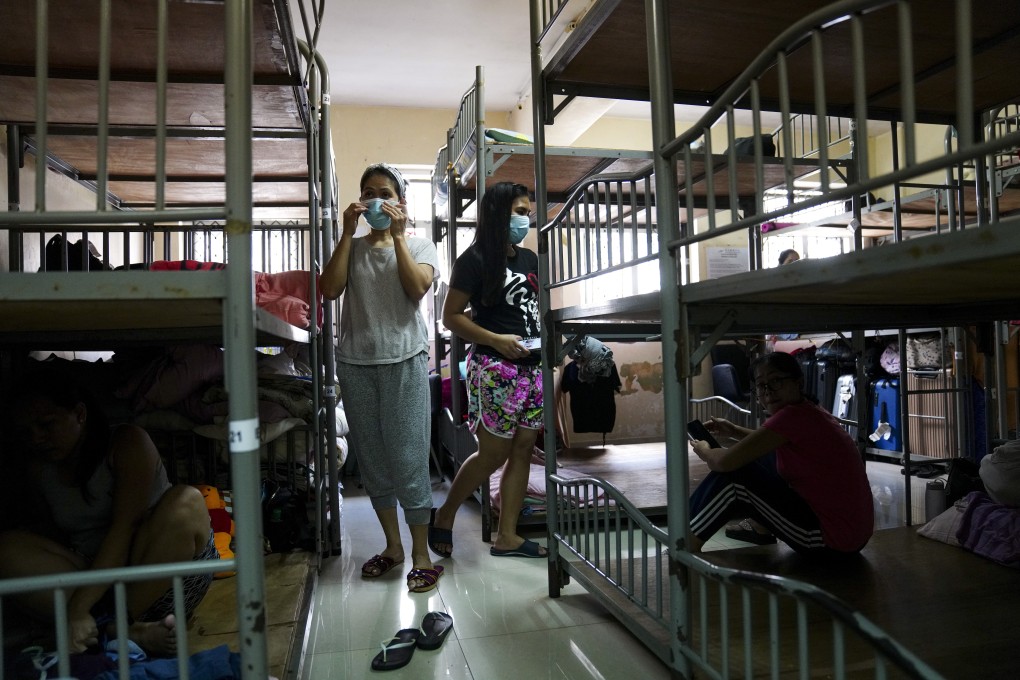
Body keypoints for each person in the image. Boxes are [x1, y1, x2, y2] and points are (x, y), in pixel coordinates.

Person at [0, 366, 216, 656]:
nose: (37, 438)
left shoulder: (127, 442)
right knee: (7, 548)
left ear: (80, 414)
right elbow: (52, 539)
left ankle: (117, 625)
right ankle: (124, 631)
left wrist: (78, 609)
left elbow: (124, 529)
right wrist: (79, 600)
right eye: (27, 432)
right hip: (96, 583)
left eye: (47, 424)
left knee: (187, 501)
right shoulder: (39, 468)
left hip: (158, 581)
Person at [319, 162, 442, 592]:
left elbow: (417, 288)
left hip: (405, 359)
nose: (375, 201)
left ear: (400, 201)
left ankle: (422, 554)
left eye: (384, 194)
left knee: (409, 459)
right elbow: (329, 289)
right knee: (372, 461)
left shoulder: (421, 245)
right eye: (368, 193)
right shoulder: (351, 249)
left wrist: (400, 236)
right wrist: (345, 233)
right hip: (356, 364)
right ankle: (393, 547)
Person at [428, 181, 547, 559]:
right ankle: (445, 514)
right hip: (495, 367)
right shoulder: (474, 259)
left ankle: (507, 535)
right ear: (498, 214)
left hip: (533, 366)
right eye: (519, 212)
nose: (526, 219)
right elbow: (451, 317)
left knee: (524, 449)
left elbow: (532, 310)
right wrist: (496, 339)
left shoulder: (530, 260)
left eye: (527, 212)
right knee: (493, 453)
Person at [688, 351, 874, 557]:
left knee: (734, 477)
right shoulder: (808, 410)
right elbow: (767, 441)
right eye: (761, 385)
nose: (768, 391)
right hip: (850, 535)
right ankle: (759, 527)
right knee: (762, 457)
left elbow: (723, 462)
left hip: (829, 539)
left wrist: (705, 450)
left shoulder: (793, 416)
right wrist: (733, 430)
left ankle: (686, 542)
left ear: (798, 382)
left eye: (776, 381)